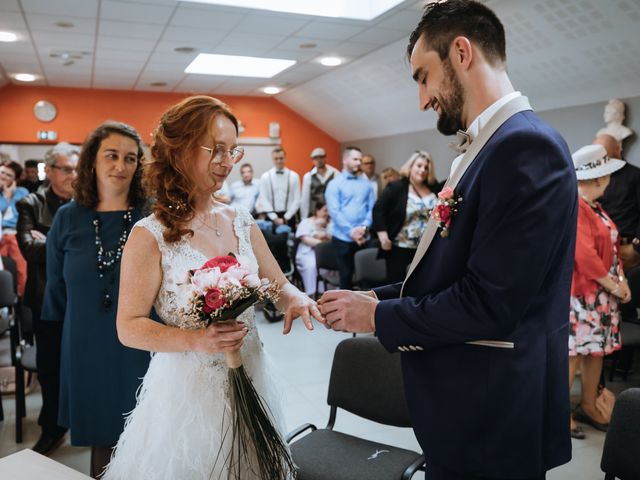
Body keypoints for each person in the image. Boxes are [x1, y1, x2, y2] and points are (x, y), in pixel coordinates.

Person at [319, 2, 576, 479]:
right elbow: (448, 273)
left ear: (461, 52)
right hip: (463, 409)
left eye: (423, 76)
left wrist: (377, 316)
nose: (421, 99)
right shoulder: (485, 148)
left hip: (494, 414)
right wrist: (371, 296)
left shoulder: (525, 147)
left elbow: (490, 303)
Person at [103, 95, 321, 479]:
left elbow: (278, 283)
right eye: (216, 149)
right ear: (180, 149)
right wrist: (198, 340)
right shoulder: (148, 235)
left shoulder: (240, 219)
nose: (226, 161)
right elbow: (129, 326)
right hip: (189, 393)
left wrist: (296, 298)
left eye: (232, 150)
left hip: (251, 371)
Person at [41, 122, 151, 478]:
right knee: (102, 444)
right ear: (91, 161)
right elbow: (55, 289)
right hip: (85, 345)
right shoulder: (67, 217)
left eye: (130, 158)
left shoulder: (152, 218)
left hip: (140, 345)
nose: (121, 165)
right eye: (112, 155)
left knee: (146, 438)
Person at [16, 142, 78, 455]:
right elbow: (29, 248)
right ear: (50, 171)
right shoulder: (31, 203)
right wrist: (66, 243)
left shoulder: (88, 203)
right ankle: (52, 427)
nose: (73, 175)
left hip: (83, 299)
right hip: (47, 300)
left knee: (82, 366)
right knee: (51, 367)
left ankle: (81, 420)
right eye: (66, 169)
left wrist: (50, 240)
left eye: (77, 169)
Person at [568, 144, 628, 440]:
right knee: (574, 355)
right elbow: (584, 255)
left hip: (603, 295)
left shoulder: (595, 207)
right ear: (596, 179)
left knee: (595, 353)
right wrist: (614, 283)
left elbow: (612, 251)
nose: (610, 181)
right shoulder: (575, 206)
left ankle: (589, 405)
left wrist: (621, 279)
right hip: (581, 296)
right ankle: (560, 415)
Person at [373, 151, 441, 283]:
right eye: (419, 165)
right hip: (400, 248)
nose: (422, 170)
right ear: (411, 166)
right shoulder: (396, 187)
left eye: (426, 167)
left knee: (422, 285)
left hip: (426, 248)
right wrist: (383, 237)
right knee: (397, 288)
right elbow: (378, 210)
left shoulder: (433, 187)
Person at [324, 146, 375, 289]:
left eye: (360, 159)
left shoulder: (367, 184)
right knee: (346, 278)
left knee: (367, 279)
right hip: (343, 238)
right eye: (355, 159)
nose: (359, 162)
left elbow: (372, 208)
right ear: (345, 160)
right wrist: (351, 232)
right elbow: (335, 211)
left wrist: (364, 228)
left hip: (365, 237)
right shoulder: (334, 184)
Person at [0, 159, 30, 296]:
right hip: (1, 235)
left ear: (15, 179)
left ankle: (22, 302)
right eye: (2, 172)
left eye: (8, 175)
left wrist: (11, 196)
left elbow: (20, 214)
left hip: (15, 235)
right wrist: (6, 196)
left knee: (22, 271)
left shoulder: (22, 192)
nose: (3, 176)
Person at [257, 147, 301, 232]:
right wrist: (274, 218)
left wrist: (286, 217)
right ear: (273, 159)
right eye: (276, 158)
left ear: (285, 158)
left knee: (288, 244)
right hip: (271, 216)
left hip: (289, 217)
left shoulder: (294, 176)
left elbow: (297, 200)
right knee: (270, 244)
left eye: (281, 158)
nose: (279, 161)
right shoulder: (265, 177)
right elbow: (263, 199)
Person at [295, 201, 331, 296]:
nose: (327, 213)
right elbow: (305, 239)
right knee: (312, 265)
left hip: (325, 253)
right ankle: (312, 294)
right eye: (325, 210)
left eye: (328, 210)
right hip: (307, 252)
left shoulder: (331, 224)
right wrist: (323, 243)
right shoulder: (306, 222)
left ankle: (326, 294)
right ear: (317, 210)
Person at [300, 147, 339, 219]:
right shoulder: (308, 176)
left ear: (325, 158)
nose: (319, 160)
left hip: (332, 214)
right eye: (315, 158)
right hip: (314, 214)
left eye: (321, 157)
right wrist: (304, 219)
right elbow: (305, 199)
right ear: (312, 160)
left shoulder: (335, 173)